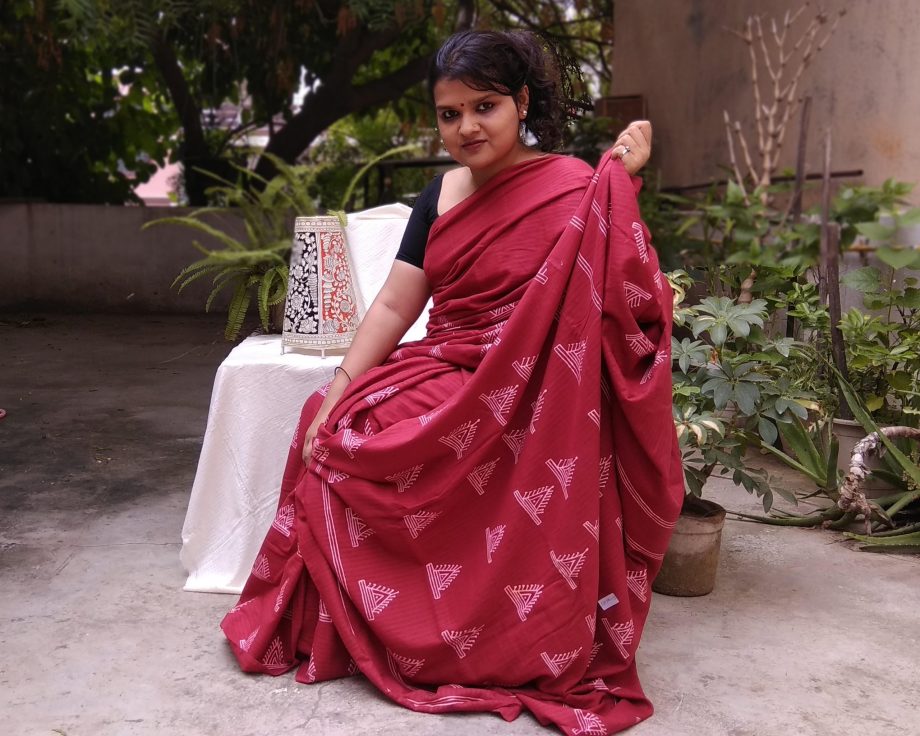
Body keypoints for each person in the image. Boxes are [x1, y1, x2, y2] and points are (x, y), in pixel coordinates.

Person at [221, 29, 683, 735]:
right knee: (336, 423)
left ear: (521, 103)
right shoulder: (437, 196)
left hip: (538, 395)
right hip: (451, 365)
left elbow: (627, 297)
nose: (466, 126)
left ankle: (492, 633)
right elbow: (399, 305)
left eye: (485, 106)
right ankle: (367, 623)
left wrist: (623, 177)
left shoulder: (573, 188)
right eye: (449, 113)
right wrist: (345, 381)